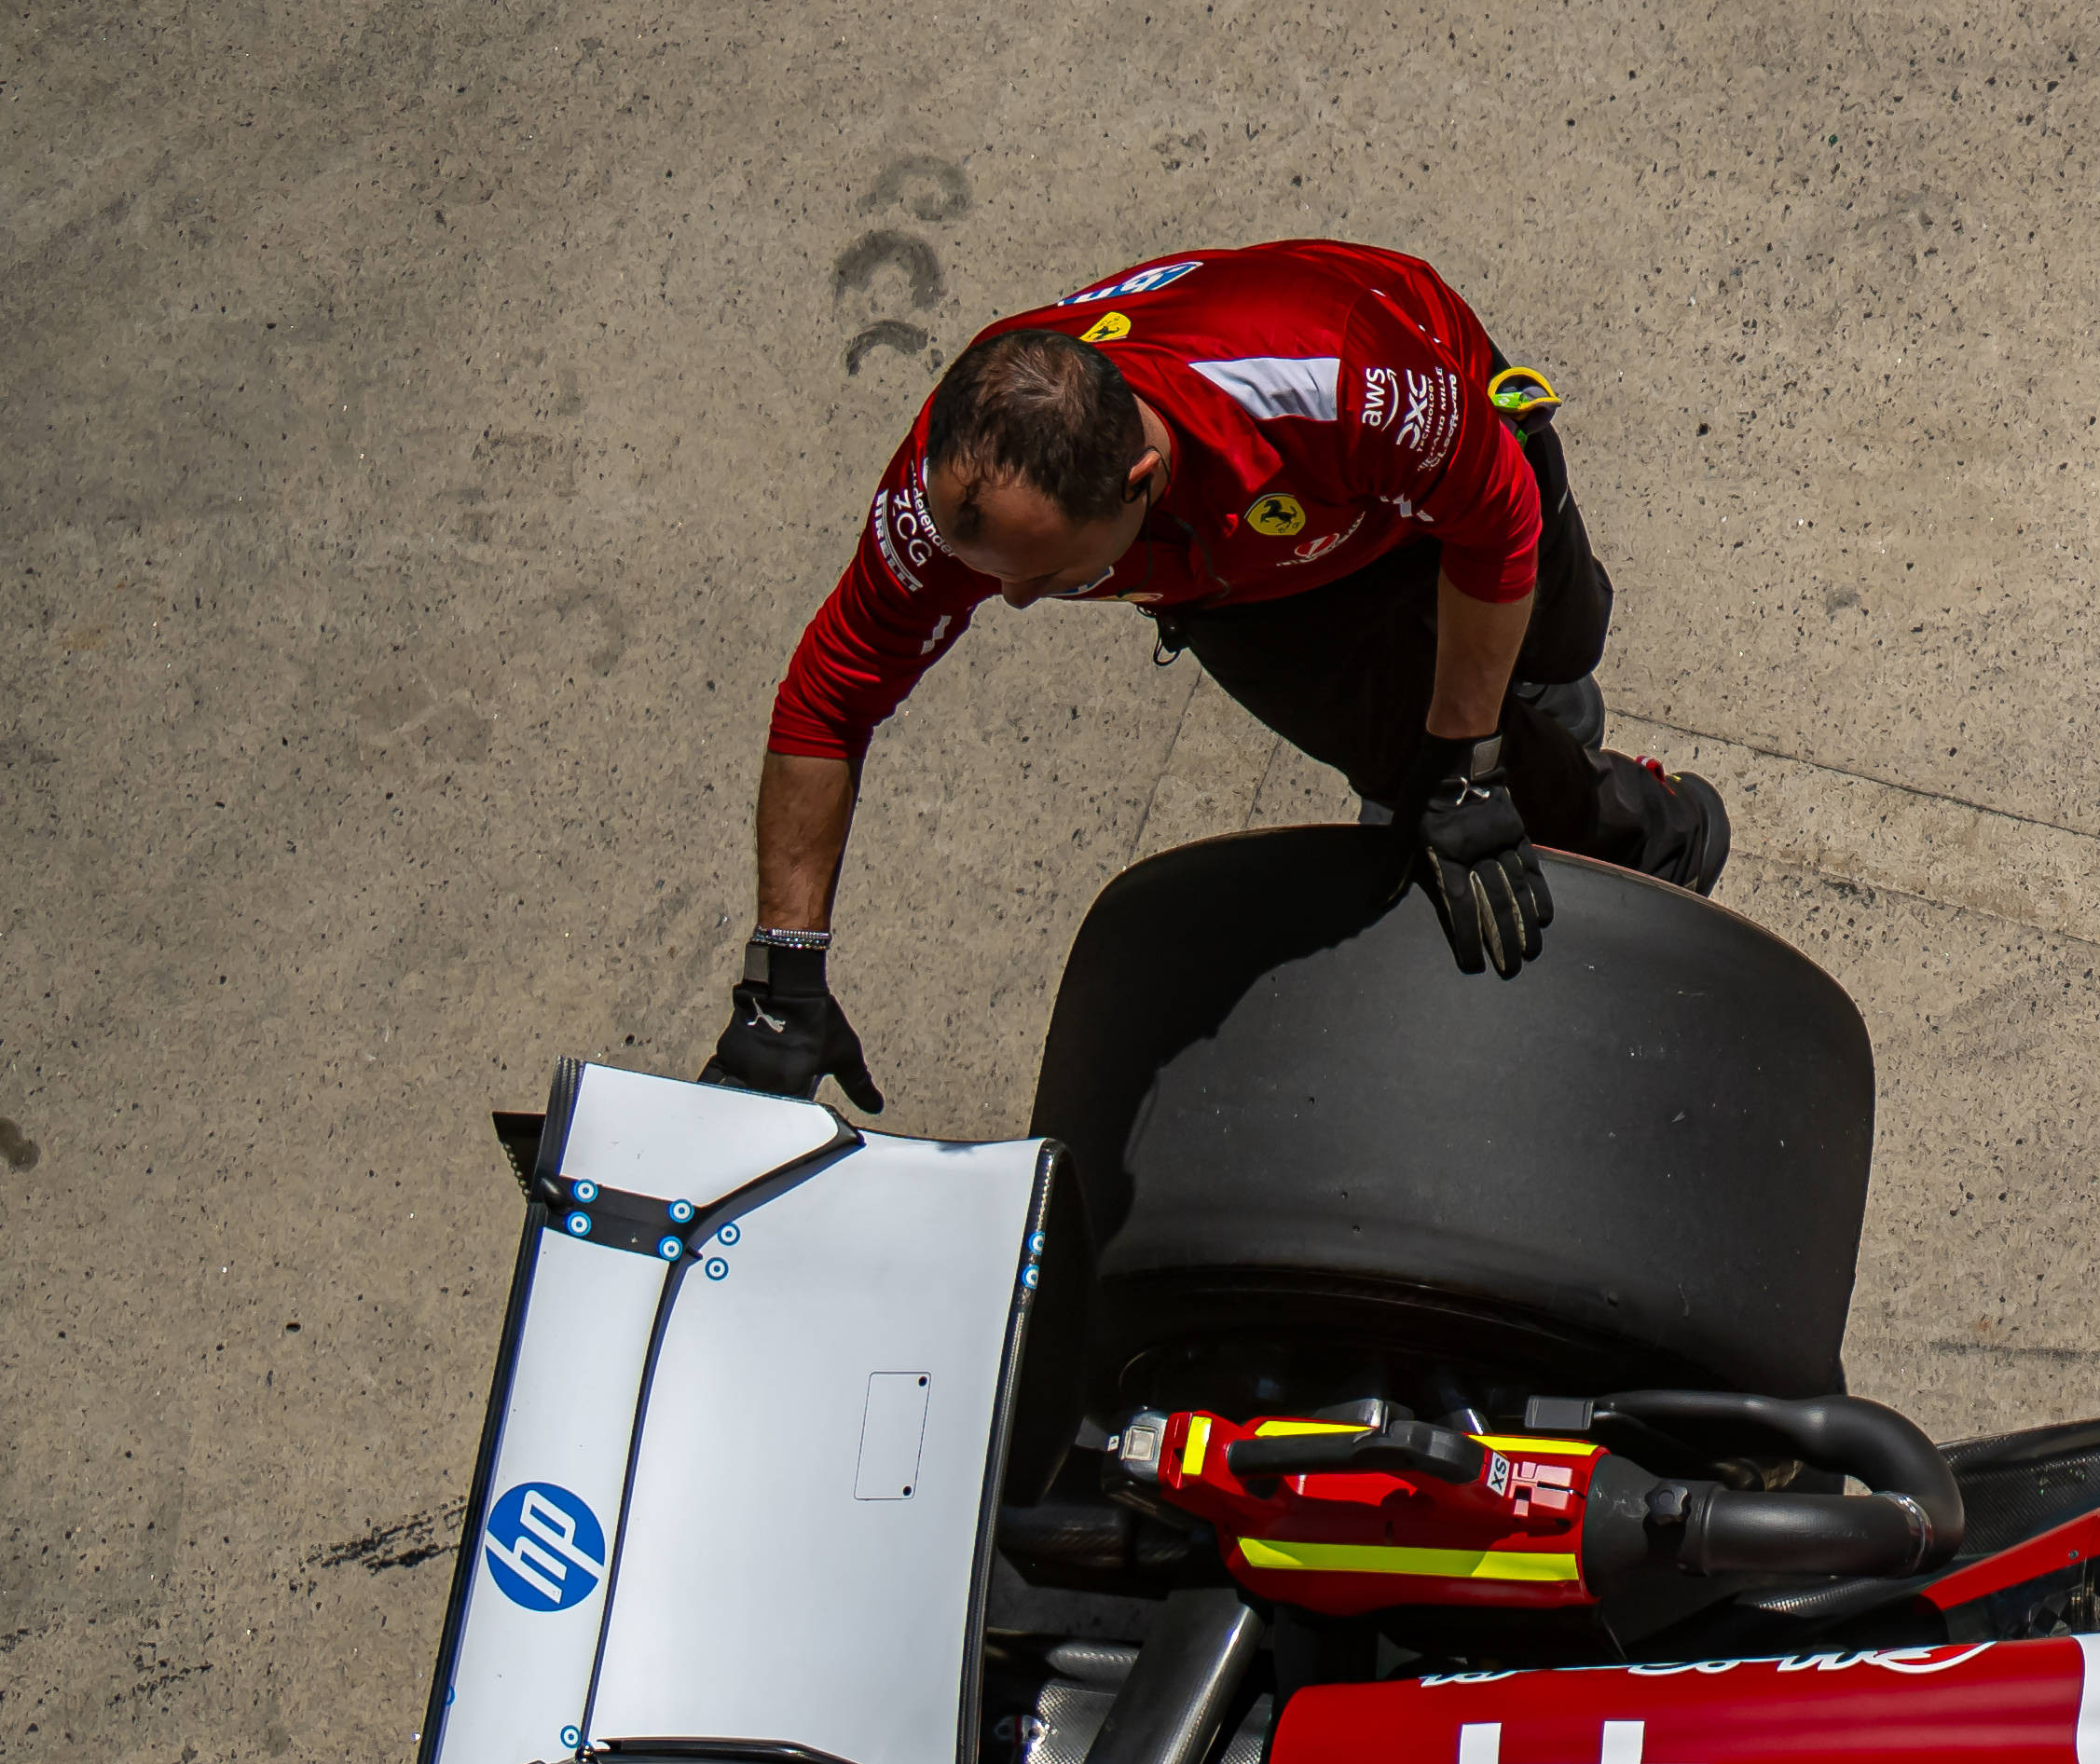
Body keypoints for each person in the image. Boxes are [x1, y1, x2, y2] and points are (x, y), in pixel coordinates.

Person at [713, 240, 1726, 1119]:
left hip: (1419, 490)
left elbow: (1493, 518)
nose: (1009, 605)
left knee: (1560, 642)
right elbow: (829, 694)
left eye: (1046, 578)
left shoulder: (1333, 380)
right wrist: (783, 972)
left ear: (1139, 485)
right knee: (1474, 798)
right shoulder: (961, 494)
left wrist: (1472, 756)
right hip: (1249, 590)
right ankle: (1663, 831)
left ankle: (1529, 699)